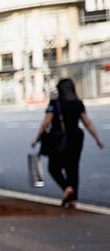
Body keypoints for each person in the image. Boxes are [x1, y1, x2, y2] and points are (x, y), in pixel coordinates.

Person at [30, 78, 104, 208]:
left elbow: (46, 122)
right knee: (73, 167)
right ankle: (73, 200)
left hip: (58, 138)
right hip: (76, 137)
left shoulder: (55, 103)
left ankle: (66, 188)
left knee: (54, 167)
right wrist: (97, 138)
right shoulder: (78, 103)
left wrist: (37, 139)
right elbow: (87, 122)